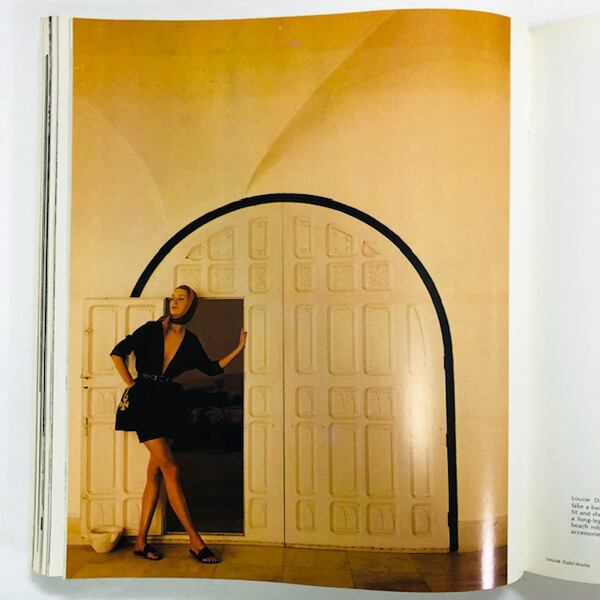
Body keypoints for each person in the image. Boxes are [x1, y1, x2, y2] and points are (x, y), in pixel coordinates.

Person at [110, 285, 247, 564]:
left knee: (155, 474)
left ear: (191, 305)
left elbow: (212, 368)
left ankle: (140, 542)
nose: (174, 301)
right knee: (172, 469)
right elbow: (117, 352)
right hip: (144, 402)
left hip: (168, 403)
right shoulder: (152, 329)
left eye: (181, 298)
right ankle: (195, 541)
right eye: (173, 297)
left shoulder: (191, 341)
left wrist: (239, 348)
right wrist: (132, 384)